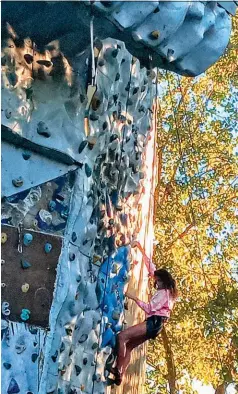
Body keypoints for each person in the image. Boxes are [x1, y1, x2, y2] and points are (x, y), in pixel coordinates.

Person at [107, 242, 178, 385]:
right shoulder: (168, 292)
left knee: (121, 338)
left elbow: (149, 308)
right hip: (157, 325)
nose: (155, 283)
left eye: (157, 281)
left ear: (163, 281)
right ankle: (119, 375)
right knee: (130, 346)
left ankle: (118, 369)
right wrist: (140, 247)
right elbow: (152, 268)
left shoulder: (163, 294)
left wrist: (133, 297)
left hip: (154, 322)